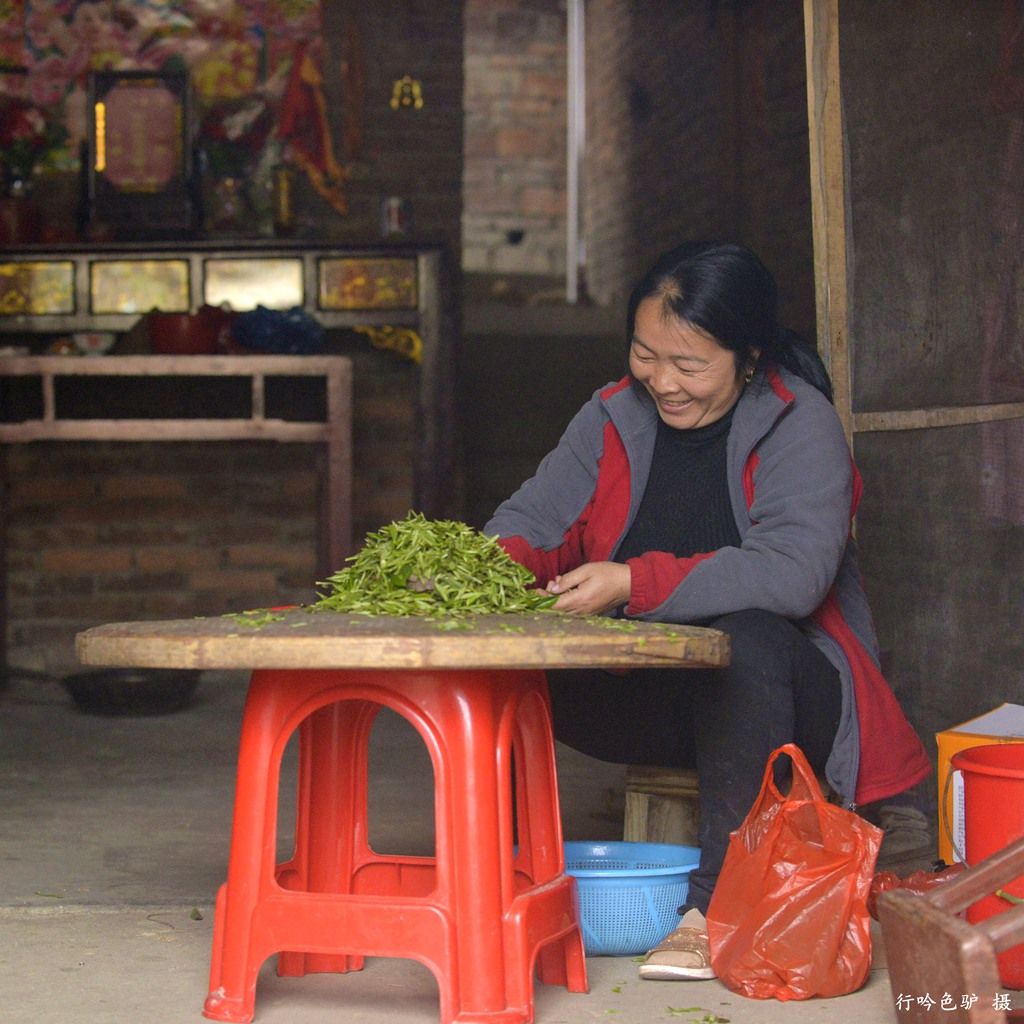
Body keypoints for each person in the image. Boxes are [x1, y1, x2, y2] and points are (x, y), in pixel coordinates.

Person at [484, 240, 930, 980]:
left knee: (746, 638)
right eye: (645, 355)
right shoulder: (608, 416)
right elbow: (528, 522)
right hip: (652, 697)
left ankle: (710, 911)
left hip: (787, 703)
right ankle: (493, 887)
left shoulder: (800, 423)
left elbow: (792, 574)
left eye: (689, 365)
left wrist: (631, 582)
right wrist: (476, 571)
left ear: (748, 357)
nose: (663, 382)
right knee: (492, 655)